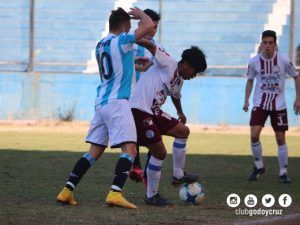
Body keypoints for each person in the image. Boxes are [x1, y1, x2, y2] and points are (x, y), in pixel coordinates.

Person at [56, 7, 154, 209]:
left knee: (94, 151)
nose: (130, 29)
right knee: (130, 149)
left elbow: (114, 66)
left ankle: (66, 191)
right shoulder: (123, 40)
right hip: (118, 102)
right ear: (124, 26)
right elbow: (149, 26)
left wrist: (135, 64)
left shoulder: (101, 45)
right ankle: (115, 193)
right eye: (129, 25)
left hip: (101, 103)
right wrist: (141, 15)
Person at [130, 42, 207, 206]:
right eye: (194, 71)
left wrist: (180, 112)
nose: (194, 75)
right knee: (160, 153)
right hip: (140, 110)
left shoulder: (179, 80)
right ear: (186, 64)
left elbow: (176, 95)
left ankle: (178, 175)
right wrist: (133, 37)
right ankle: (151, 196)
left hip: (154, 111)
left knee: (183, 131)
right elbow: (151, 46)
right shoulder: (168, 62)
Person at [243, 30, 300, 183]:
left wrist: (298, 98)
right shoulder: (254, 61)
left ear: (275, 45)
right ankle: (259, 165)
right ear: (261, 44)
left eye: (270, 43)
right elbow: (249, 81)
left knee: (280, 137)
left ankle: (283, 172)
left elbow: (296, 76)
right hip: (260, 102)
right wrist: (246, 100)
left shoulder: (284, 60)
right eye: (265, 43)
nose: (267, 46)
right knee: (254, 134)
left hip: (279, 104)